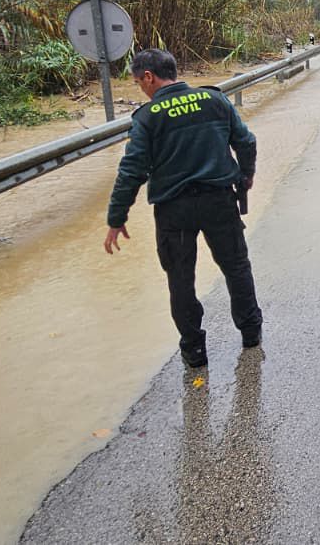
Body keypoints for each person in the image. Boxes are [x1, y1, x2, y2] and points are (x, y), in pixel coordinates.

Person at [103, 48, 263, 368]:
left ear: (149, 77)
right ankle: (250, 332)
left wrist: (116, 217)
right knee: (236, 266)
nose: (141, 88)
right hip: (220, 200)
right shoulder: (215, 100)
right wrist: (244, 178)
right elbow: (246, 142)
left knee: (180, 278)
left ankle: (194, 349)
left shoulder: (147, 118)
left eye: (138, 82)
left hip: (174, 210)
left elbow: (132, 170)